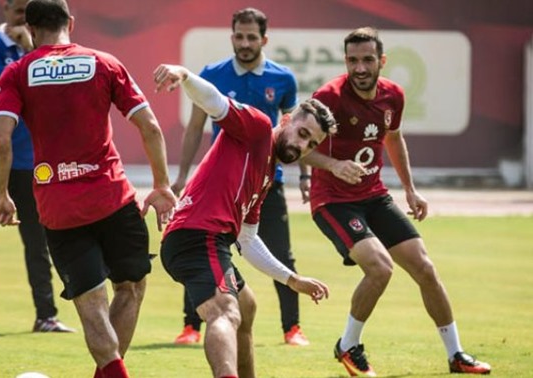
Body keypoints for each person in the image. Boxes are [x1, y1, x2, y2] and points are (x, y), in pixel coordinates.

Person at [0, 1, 177, 377]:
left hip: (59, 208)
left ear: (30, 26)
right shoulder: (104, 62)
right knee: (131, 286)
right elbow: (151, 127)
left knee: (90, 301)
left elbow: (0, 141)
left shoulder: (17, 72)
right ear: (71, 23)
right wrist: (161, 185)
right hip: (113, 198)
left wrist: (0, 194)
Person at [303, 26, 492, 376]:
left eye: (367, 60)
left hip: (374, 195)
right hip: (333, 201)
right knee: (380, 268)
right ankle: (348, 346)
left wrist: (410, 188)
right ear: (345, 61)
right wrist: (333, 164)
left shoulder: (393, 95)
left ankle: (456, 355)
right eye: (352, 60)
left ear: (382, 61)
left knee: (426, 270)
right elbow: (292, 148)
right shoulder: (327, 97)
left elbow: (393, 138)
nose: (360, 68)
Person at [154, 63, 335, 378]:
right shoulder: (258, 127)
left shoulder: (266, 174)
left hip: (208, 240)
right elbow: (215, 102)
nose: (303, 146)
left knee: (246, 307)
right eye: (303, 134)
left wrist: (292, 280)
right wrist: (184, 75)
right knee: (225, 311)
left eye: (312, 144)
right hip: (197, 236)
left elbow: (248, 240)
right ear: (288, 120)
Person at [171, 7, 311, 347]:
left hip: (266, 181)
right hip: (221, 181)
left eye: (252, 37)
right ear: (232, 36)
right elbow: (194, 127)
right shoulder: (213, 74)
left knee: (279, 250)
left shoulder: (283, 79)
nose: (245, 43)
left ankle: (291, 328)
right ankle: (191, 326)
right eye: (239, 36)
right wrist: (182, 175)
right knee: (206, 250)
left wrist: (304, 177)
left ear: (264, 39)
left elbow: (296, 132)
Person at [0, 0, 73, 336]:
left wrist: (30, 48)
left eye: (28, 12)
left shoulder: (44, 51)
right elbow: (8, 92)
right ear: (5, 11)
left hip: (33, 162)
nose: (23, 17)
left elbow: (59, 96)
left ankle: (46, 315)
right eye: (18, 10)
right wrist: (27, 49)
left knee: (38, 243)